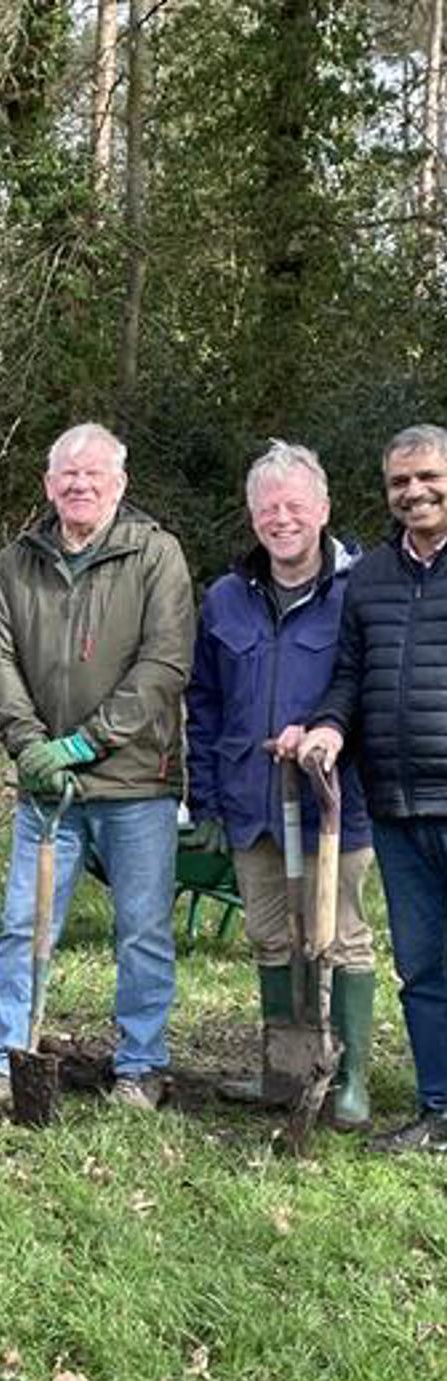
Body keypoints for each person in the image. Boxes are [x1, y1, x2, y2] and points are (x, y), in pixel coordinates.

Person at [0, 422, 194, 1115]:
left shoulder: (155, 555)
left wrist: (83, 745)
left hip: (136, 781)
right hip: (45, 786)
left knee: (141, 929)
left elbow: (164, 665)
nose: (79, 485)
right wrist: (30, 748)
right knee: (24, 925)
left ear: (120, 483)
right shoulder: (17, 561)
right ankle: (2, 1061)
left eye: (94, 474)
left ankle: (141, 1066)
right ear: (49, 485)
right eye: (66, 475)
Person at [186, 442, 374, 1127]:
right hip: (251, 799)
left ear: (323, 510)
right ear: (251, 515)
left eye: (296, 505)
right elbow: (203, 704)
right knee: (270, 938)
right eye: (269, 508)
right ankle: (286, 1069)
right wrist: (204, 797)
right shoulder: (226, 599)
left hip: (333, 803)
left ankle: (348, 1077)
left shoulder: (357, 592)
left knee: (339, 936)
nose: (282, 519)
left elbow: (370, 691)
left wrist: (324, 739)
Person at [300, 423, 447, 1153]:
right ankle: (437, 1109)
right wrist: (329, 727)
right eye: (400, 482)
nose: (415, 492)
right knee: (421, 965)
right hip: (395, 801)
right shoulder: (373, 578)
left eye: (428, 477)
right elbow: (351, 675)